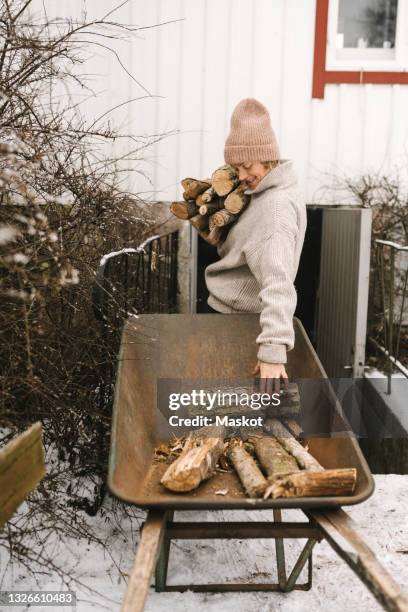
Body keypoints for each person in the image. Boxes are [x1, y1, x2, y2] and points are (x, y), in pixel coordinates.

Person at [205, 98, 307, 394]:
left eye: (247, 166)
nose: (242, 176)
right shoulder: (264, 192)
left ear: (268, 157)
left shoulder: (275, 208)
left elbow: (279, 282)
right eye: (236, 169)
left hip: (242, 326)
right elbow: (253, 250)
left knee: (232, 418)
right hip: (234, 318)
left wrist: (273, 352)